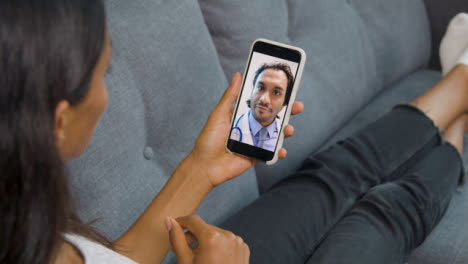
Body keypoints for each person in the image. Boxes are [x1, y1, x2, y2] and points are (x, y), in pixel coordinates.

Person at [1, 1, 468, 264]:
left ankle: (459, 85)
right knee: (379, 218)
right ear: (59, 119)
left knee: (330, 175)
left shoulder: (22, 223)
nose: (108, 91)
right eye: (104, 74)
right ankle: (458, 128)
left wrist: (199, 169)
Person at [231, 62, 294, 151]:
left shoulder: (285, 139)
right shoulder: (230, 126)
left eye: (276, 92)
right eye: (260, 88)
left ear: (284, 103)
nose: (264, 99)